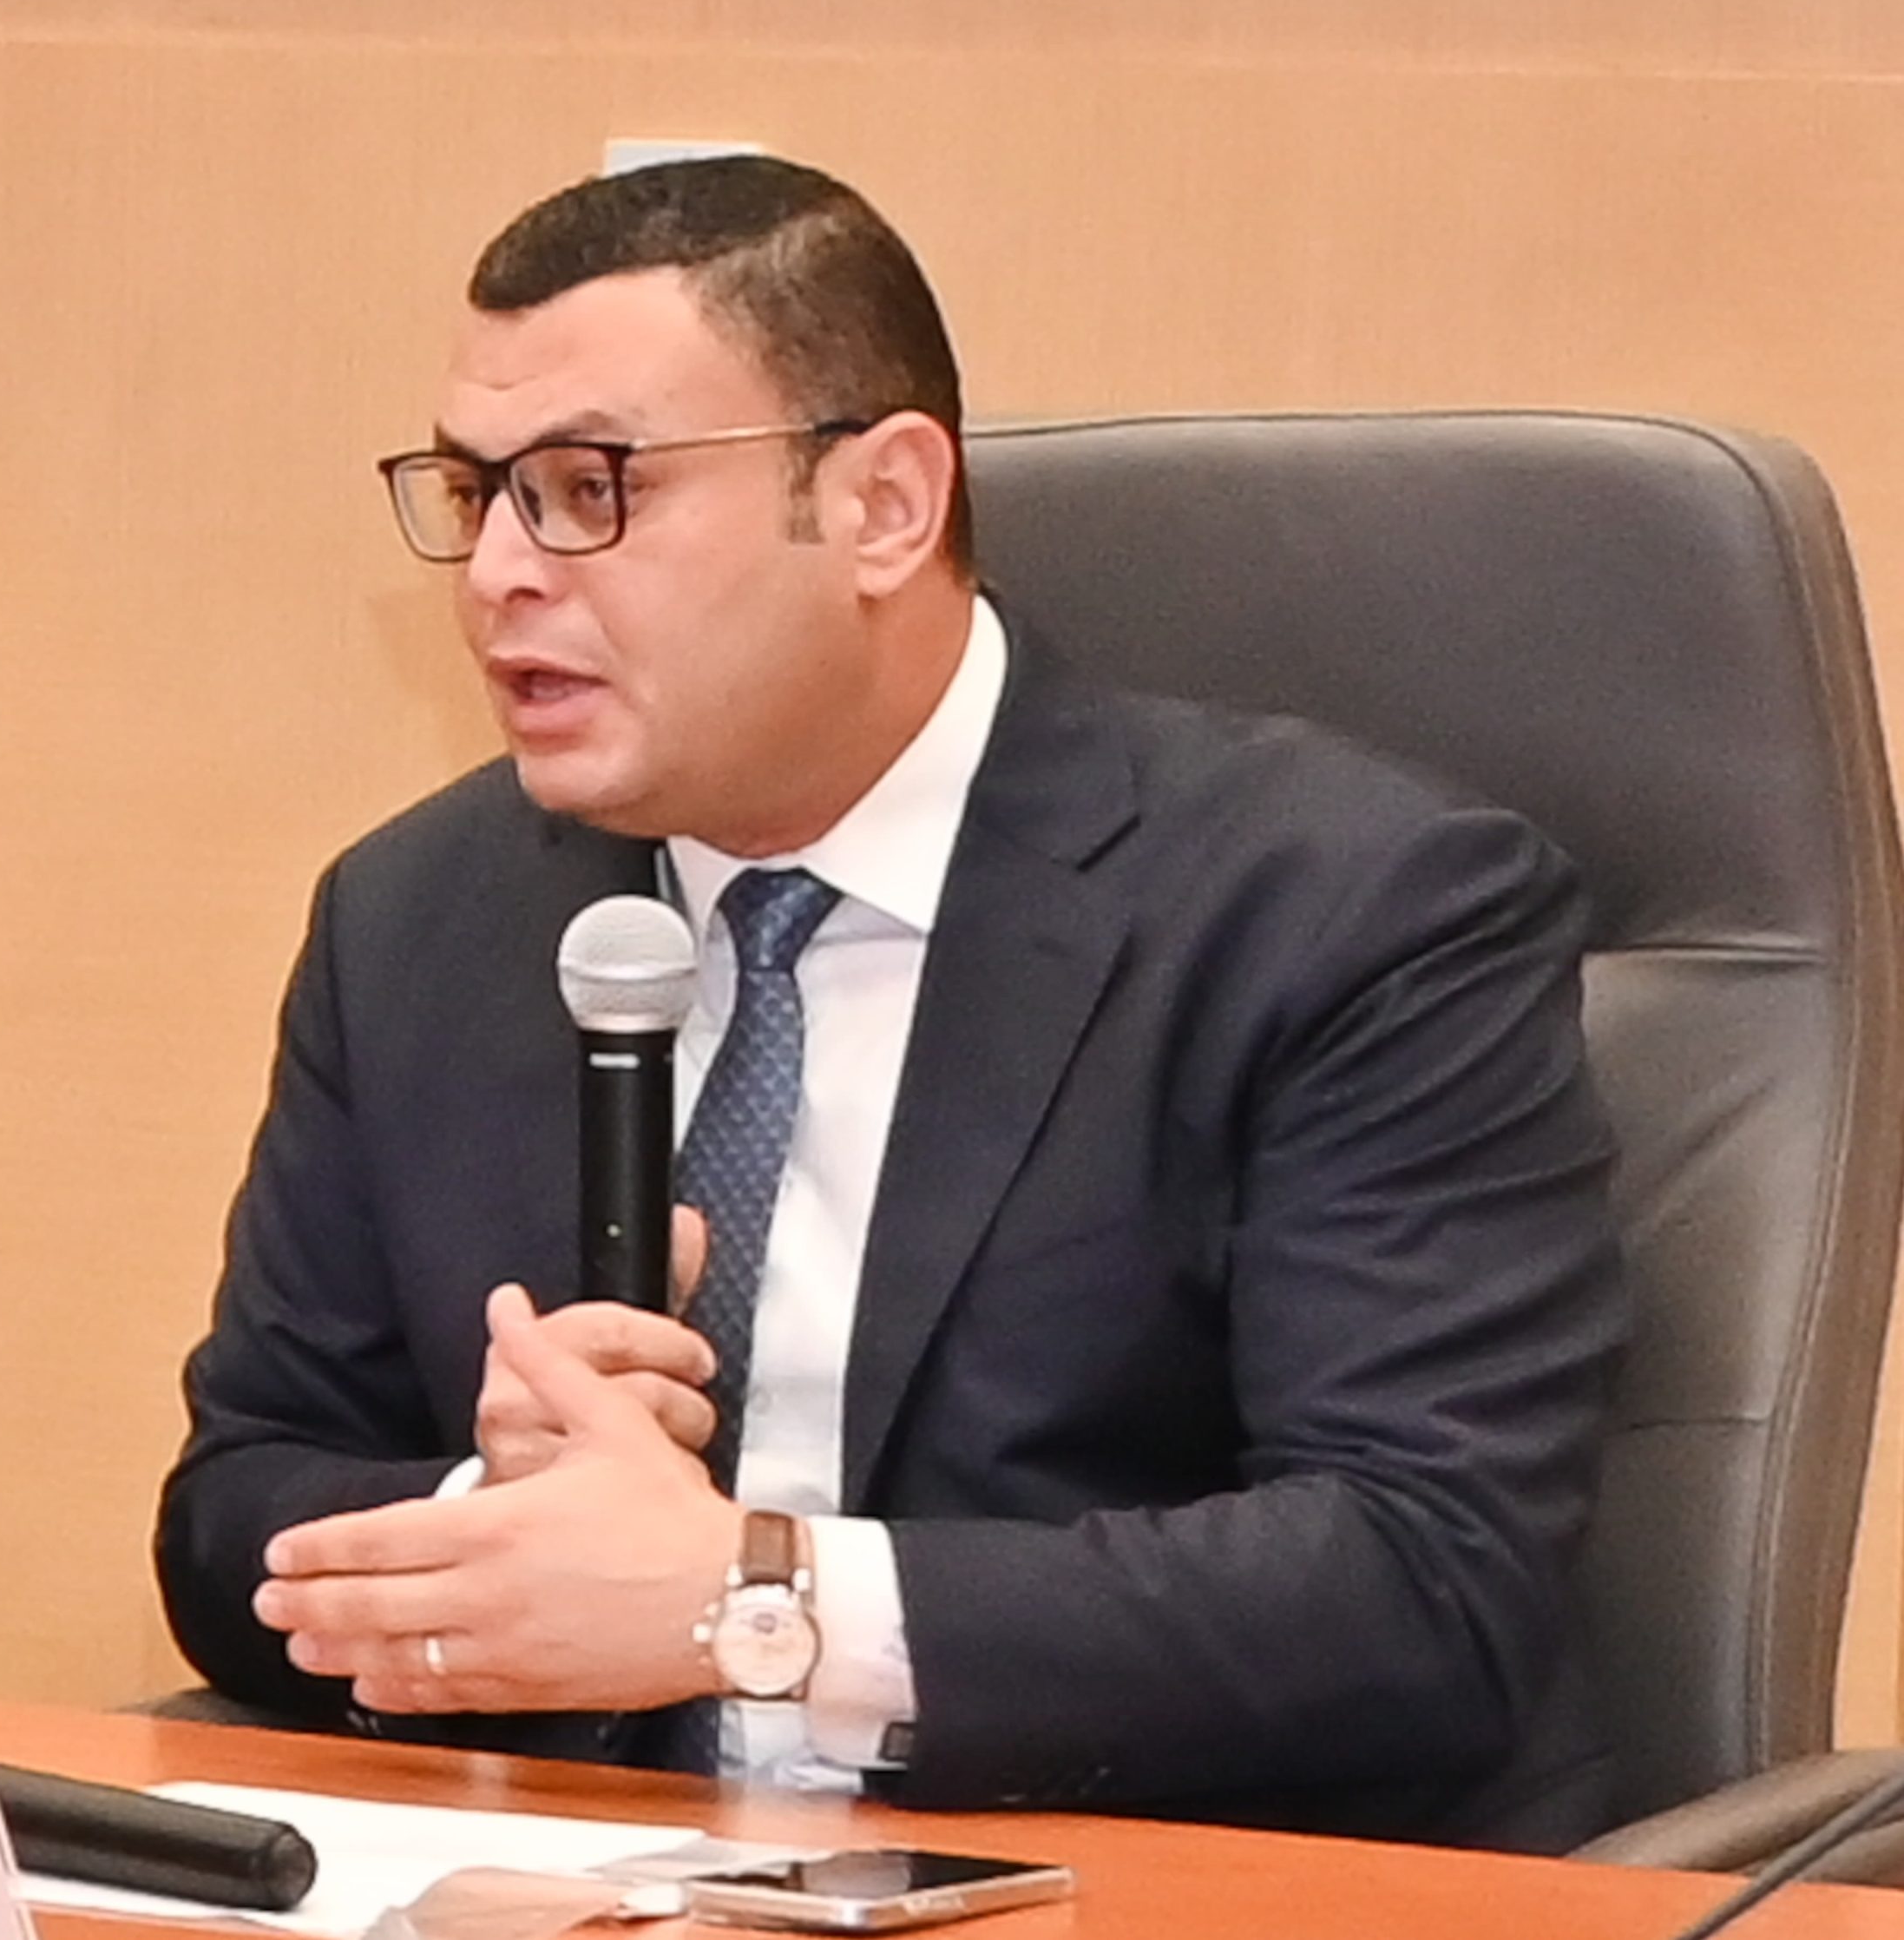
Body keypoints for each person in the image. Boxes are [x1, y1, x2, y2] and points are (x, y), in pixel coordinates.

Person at [154, 155, 1626, 1850]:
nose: (496, 572)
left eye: (584, 489)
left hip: (1121, 1875)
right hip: (583, 1874)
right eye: (476, 492)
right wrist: (501, 1520)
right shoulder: (420, 914)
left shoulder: (1350, 911)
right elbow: (237, 1504)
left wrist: (748, 1599)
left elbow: (1418, 1581)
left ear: (881, 505)